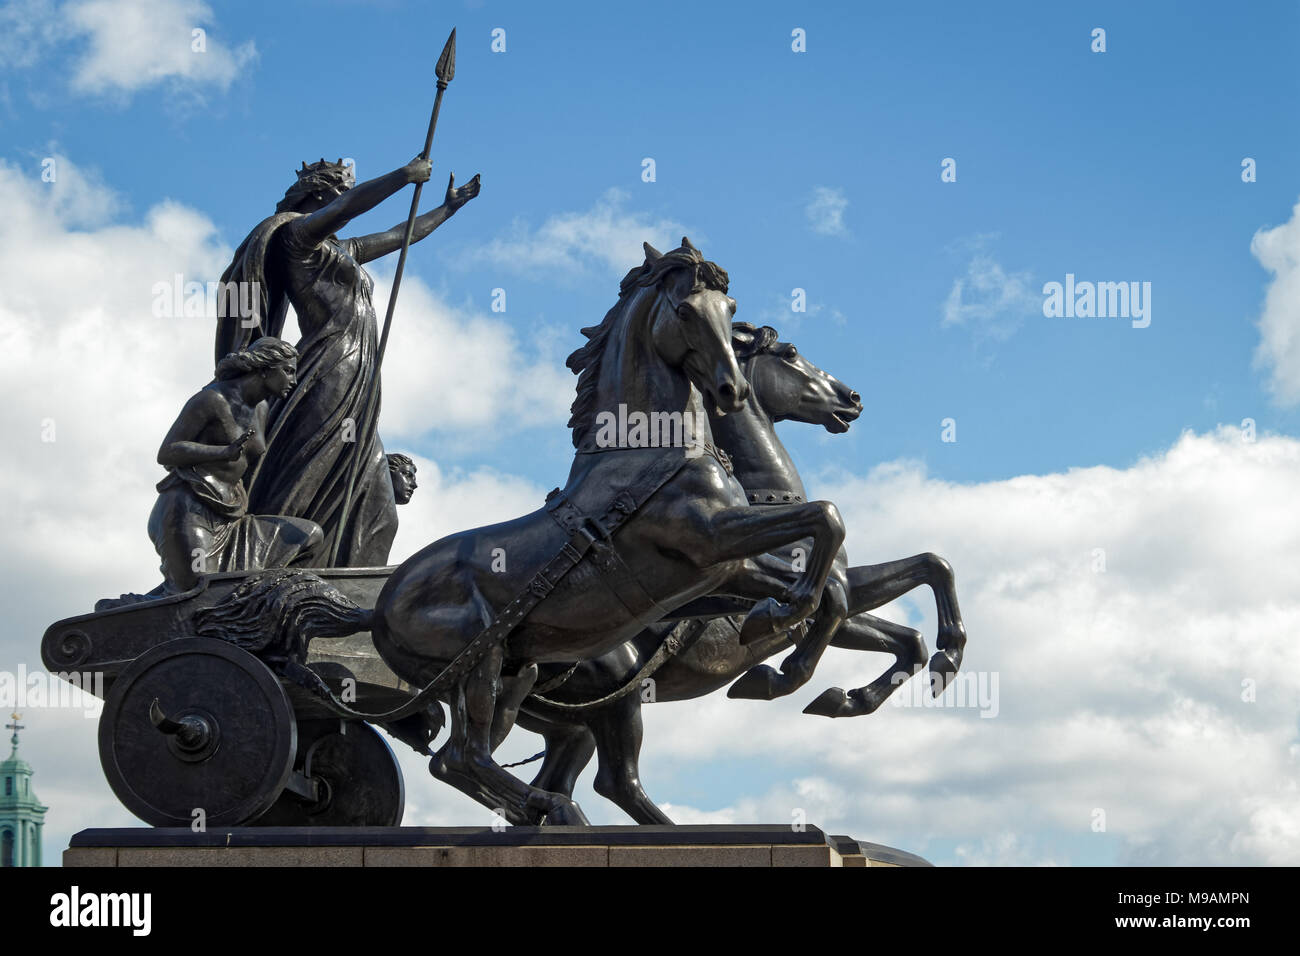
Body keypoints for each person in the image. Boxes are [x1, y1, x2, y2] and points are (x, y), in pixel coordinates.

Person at [214, 156, 479, 566]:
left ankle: (349, 579)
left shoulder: (342, 249)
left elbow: (399, 234)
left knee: (374, 495)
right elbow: (346, 207)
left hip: (361, 373)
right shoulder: (296, 238)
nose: (345, 200)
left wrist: (447, 210)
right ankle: (273, 567)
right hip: (328, 367)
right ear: (318, 193)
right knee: (309, 469)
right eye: (341, 190)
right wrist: (402, 177)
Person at [148, 337, 324, 594]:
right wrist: (223, 451)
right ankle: (121, 613)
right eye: (287, 371)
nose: (293, 380)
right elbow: (167, 453)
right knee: (198, 593)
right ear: (264, 369)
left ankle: (266, 605)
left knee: (309, 535)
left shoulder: (261, 408)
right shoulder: (211, 399)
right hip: (188, 510)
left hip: (231, 516)